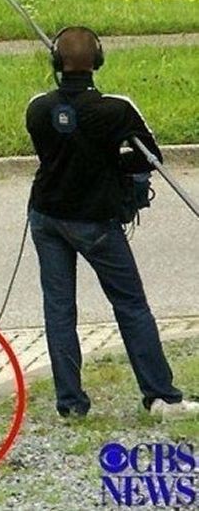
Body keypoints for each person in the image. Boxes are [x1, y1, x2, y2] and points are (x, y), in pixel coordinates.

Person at [26, 27, 199, 419]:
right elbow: (150, 156)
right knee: (131, 305)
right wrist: (111, 164)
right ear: (98, 61)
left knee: (59, 310)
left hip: (46, 217)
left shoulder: (37, 107)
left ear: (56, 62)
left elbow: (47, 149)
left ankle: (71, 404)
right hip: (96, 222)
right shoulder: (116, 109)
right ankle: (161, 396)